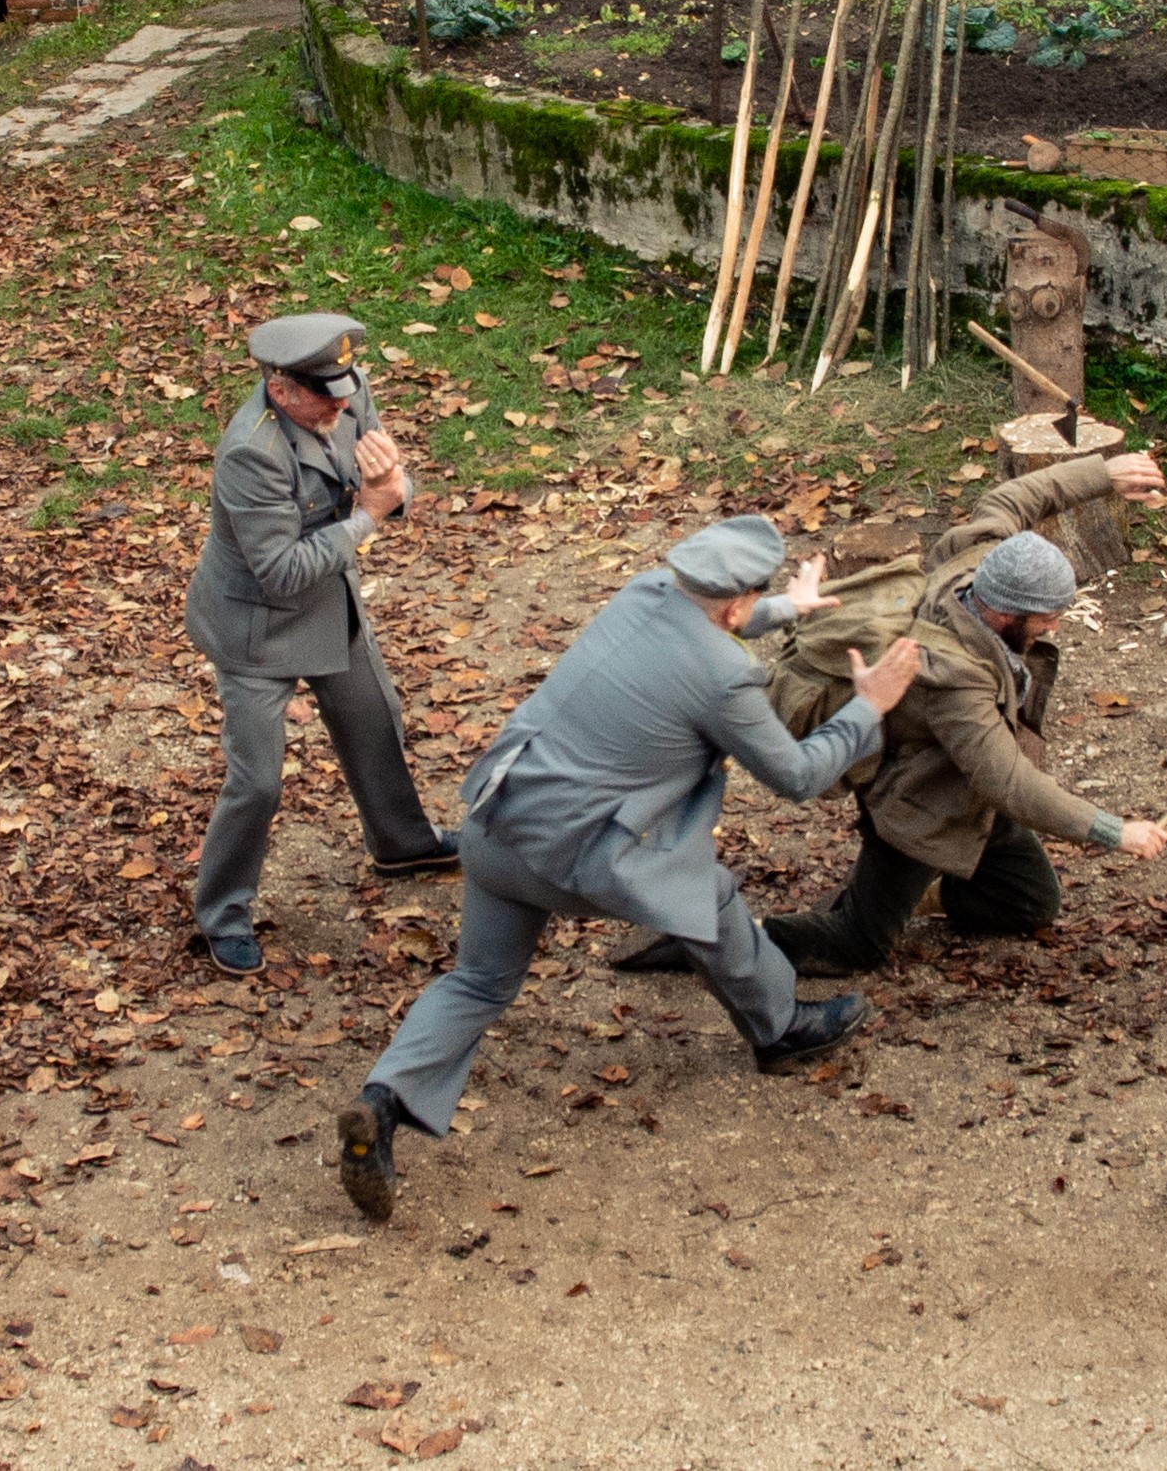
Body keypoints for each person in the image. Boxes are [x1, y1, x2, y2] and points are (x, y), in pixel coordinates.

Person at [333, 516, 924, 1222]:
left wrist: (789, 608)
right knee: (708, 896)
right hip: (579, 856)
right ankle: (781, 1028)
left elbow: (710, 616)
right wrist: (868, 705)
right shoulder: (727, 674)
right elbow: (797, 776)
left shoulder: (645, 591)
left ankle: (383, 1103)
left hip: (498, 822)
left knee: (480, 980)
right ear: (733, 605)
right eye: (752, 601)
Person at [724, 454, 1167, 976]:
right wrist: (1115, 832)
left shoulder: (978, 559)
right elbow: (1009, 782)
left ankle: (931, 891)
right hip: (921, 806)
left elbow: (1016, 497)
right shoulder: (953, 679)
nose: (1054, 628)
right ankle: (729, 942)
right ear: (1006, 613)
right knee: (855, 946)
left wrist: (1103, 476)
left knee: (1029, 902)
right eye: (1047, 618)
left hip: (969, 796)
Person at [183, 314, 459, 977]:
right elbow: (278, 572)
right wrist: (370, 512)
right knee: (256, 781)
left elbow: (389, 477)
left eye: (346, 388)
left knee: (375, 718)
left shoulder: (345, 388)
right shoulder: (251, 452)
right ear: (282, 390)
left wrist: (394, 489)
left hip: (329, 601)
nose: (345, 402)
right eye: (327, 397)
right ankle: (221, 914)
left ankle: (401, 843)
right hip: (257, 627)